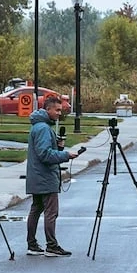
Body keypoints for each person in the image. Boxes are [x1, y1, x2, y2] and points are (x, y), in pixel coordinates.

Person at [25, 94, 80, 256]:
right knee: (51, 211)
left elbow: (45, 151)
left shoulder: (39, 126)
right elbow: (45, 155)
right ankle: (51, 245)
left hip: (37, 176)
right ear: (47, 109)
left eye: (60, 110)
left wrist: (58, 147)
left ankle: (32, 244)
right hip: (45, 177)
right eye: (56, 110)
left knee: (36, 209)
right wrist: (65, 155)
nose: (59, 113)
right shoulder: (43, 128)